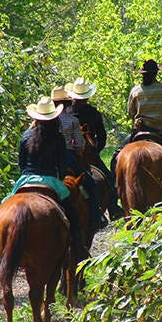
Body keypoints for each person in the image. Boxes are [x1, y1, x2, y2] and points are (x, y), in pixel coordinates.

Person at [7, 96, 90, 260]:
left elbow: (21, 163)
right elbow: (61, 165)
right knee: (72, 213)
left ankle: (0, 247)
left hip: (26, 179)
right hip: (51, 180)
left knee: (6, 204)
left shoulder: (25, 136)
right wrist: (58, 179)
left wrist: (28, 175)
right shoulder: (58, 137)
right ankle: (78, 248)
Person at [111, 59, 162, 176]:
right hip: (161, 132)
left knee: (116, 156)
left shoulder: (135, 91)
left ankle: (116, 187)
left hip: (139, 130)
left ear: (142, 74)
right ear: (156, 73)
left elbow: (131, 112)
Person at [66, 77, 124, 220]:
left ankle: (112, 208)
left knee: (109, 178)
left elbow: (102, 136)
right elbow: (102, 137)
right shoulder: (92, 113)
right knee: (109, 179)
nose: (82, 102)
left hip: (73, 152)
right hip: (86, 152)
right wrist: (95, 152)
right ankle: (113, 208)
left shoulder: (66, 113)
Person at [51, 85, 105, 231]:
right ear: (68, 102)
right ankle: (96, 217)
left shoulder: (45, 121)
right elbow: (80, 144)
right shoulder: (72, 120)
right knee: (91, 184)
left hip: (48, 159)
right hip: (68, 156)